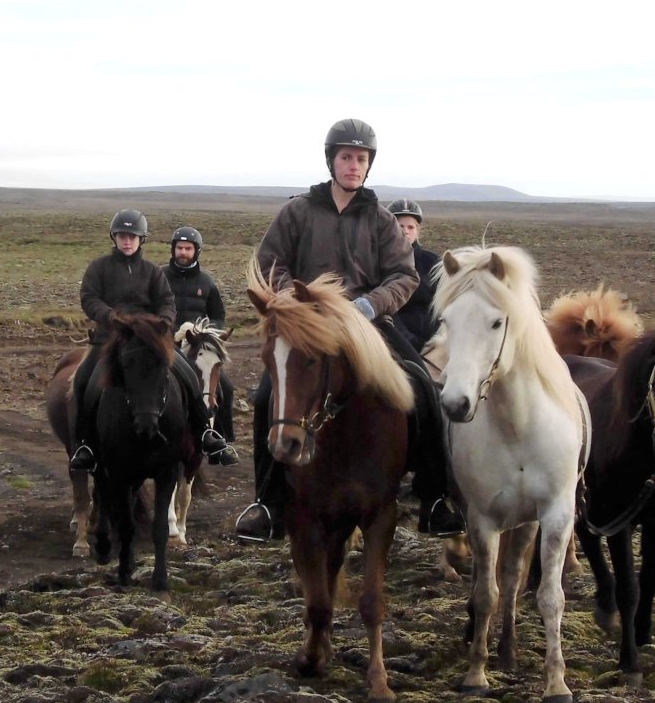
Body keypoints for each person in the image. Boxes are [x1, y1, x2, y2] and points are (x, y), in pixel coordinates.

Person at [235, 119, 466, 542]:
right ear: (331, 161)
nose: (353, 165)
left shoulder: (380, 219)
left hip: (367, 325)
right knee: (269, 393)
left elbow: (404, 276)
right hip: (306, 326)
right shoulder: (298, 211)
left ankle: (435, 499)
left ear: (368, 165)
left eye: (361, 159)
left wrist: (367, 304)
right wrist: (298, 301)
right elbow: (271, 261)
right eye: (346, 157)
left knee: (422, 386)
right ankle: (268, 503)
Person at [68, 209, 237, 474]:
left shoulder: (152, 272)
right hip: (108, 339)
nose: (127, 241)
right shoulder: (98, 268)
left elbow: (167, 302)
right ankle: (85, 445)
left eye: (133, 237)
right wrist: (111, 316)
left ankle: (205, 432)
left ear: (141, 240)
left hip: (149, 341)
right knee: (83, 382)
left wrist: (164, 324)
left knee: (189, 375)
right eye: (123, 236)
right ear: (114, 238)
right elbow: (89, 298)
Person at [164, 225, 235, 446]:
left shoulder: (207, 282)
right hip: (166, 345)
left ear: (197, 251)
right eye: (179, 248)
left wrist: (205, 332)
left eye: (187, 248)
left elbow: (218, 315)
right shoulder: (159, 276)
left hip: (197, 348)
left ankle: (220, 441)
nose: (182, 252)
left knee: (226, 388)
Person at [388, 198, 441, 351]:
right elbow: (386, 309)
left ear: (417, 230)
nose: (405, 231)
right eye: (400, 226)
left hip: (434, 343)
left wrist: (434, 340)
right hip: (395, 343)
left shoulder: (433, 262)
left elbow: (443, 305)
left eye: (411, 227)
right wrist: (409, 341)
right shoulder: (379, 263)